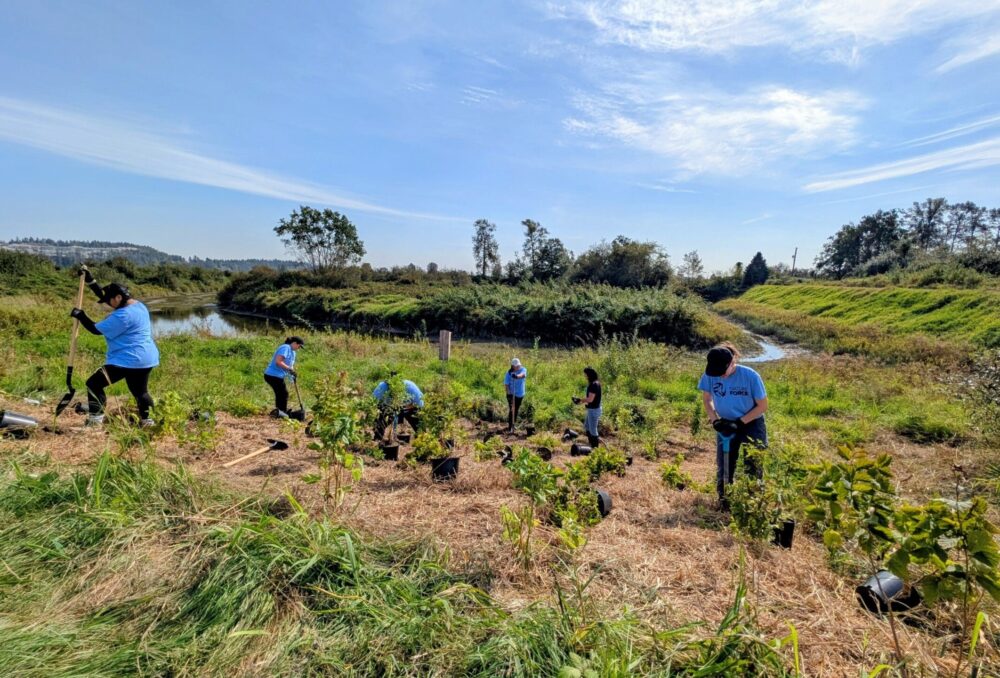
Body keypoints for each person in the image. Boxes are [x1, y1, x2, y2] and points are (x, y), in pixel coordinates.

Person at [70, 273, 159, 427]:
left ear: (118, 298)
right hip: (146, 358)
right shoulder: (139, 306)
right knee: (141, 392)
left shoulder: (122, 316)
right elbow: (105, 296)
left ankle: (95, 422)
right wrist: (90, 280)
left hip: (127, 360)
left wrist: (81, 315)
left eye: (110, 300)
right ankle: (148, 422)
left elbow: (95, 330)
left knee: (94, 384)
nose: (108, 304)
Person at [697, 342, 769, 509]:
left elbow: (762, 406)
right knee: (725, 464)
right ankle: (724, 502)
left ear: (732, 363)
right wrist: (715, 420)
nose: (720, 376)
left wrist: (739, 422)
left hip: (752, 423)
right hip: (725, 424)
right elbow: (707, 400)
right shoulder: (710, 374)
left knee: (754, 464)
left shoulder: (751, 376)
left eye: (723, 372)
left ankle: (753, 505)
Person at [372, 373, 424, 441]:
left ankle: (422, 439)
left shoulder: (410, 387)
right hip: (389, 407)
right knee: (380, 421)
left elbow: (419, 403)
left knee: (417, 422)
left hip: (409, 406)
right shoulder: (382, 387)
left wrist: (405, 407)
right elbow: (374, 402)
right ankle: (378, 438)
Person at [263, 336, 304, 418]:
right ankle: (282, 412)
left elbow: (290, 366)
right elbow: (278, 361)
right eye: (299, 346)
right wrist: (289, 369)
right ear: (294, 343)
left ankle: (280, 412)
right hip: (272, 375)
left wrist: (292, 376)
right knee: (283, 393)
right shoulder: (285, 347)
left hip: (278, 376)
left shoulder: (293, 352)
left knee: (281, 393)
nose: (299, 348)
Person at [572, 366, 602, 447]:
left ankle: (595, 448)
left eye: (585, 374)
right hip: (592, 409)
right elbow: (590, 399)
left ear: (589, 375)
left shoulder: (594, 385)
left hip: (594, 410)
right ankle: (591, 444)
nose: (585, 376)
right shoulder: (596, 383)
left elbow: (590, 399)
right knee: (587, 427)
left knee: (593, 430)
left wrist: (580, 400)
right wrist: (580, 401)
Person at [504, 358, 527, 433]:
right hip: (511, 394)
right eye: (516, 366)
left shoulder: (523, 369)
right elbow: (506, 384)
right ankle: (510, 427)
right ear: (513, 366)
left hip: (520, 394)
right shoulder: (508, 373)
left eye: (519, 365)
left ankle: (514, 424)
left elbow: (523, 375)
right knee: (512, 409)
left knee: (516, 409)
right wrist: (509, 394)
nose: (518, 367)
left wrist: (517, 377)